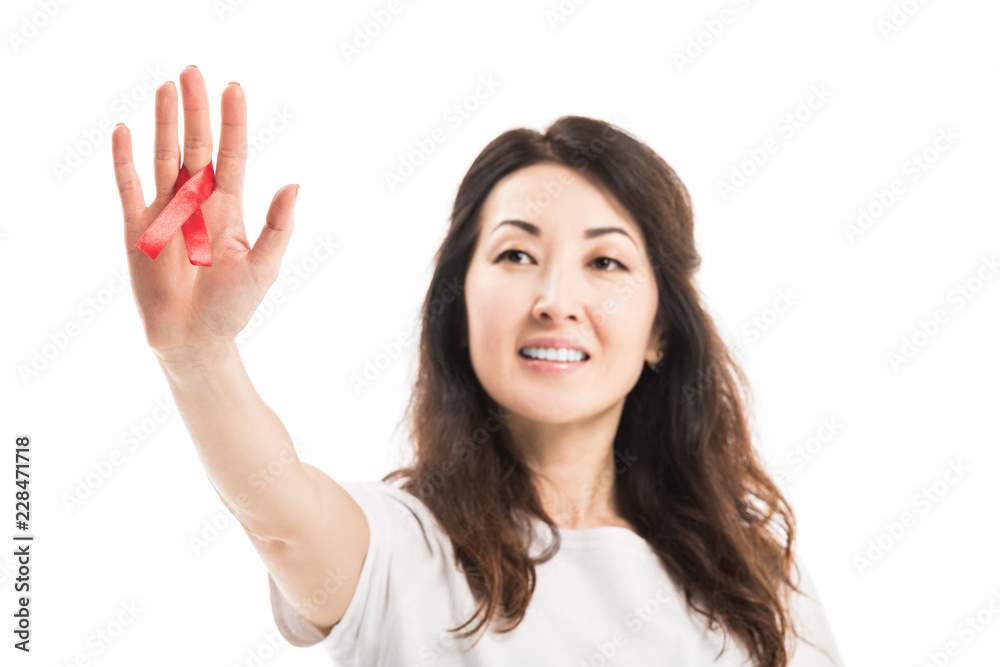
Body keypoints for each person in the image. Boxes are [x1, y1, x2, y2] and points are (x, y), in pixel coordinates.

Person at [112, 66, 845, 667]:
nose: (556, 299)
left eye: (605, 260)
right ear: (460, 308)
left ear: (661, 330)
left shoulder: (757, 585)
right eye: (516, 254)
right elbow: (283, 523)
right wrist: (199, 355)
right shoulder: (403, 551)